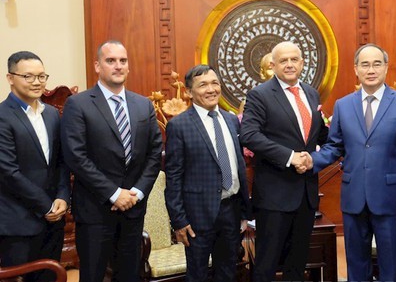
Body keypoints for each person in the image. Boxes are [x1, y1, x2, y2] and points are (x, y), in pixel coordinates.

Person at [306, 43, 396, 282]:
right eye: (365, 64)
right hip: (354, 198)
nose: (371, 69)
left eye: (377, 64)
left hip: (391, 200)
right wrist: (311, 160)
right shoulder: (343, 104)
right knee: (356, 267)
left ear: (386, 68)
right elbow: (335, 146)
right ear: (356, 69)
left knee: (391, 267)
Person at [61, 40, 163, 282]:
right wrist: (114, 193)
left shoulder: (142, 105)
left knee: (129, 275)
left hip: (133, 210)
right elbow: (76, 156)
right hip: (95, 210)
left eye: (123, 61)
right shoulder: (78, 104)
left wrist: (136, 193)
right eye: (111, 60)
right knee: (93, 275)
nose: (118, 66)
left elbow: (154, 153)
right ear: (97, 66)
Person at [240, 41, 329, 282]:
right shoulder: (259, 95)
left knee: (297, 262)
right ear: (272, 65)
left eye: (294, 60)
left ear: (302, 63)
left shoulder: (311, 93)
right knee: (267, 264)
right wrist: (290, 157)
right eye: (283, 60)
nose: (289, 64)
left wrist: (315, 157)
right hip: (274, 195)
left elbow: (319, 136)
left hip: (306, 193)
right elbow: (249, 135)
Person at [164, 65, 252, 282]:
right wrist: (179, 220)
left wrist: (243, 211)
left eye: (215, 83)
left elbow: (238, 165)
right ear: (188, 92)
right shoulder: (179, 126)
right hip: (197, 218)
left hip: (230, 211)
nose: (211, 89)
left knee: (228, 272)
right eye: (203, 85)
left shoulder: (231, 120)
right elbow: (173, 177)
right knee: (197, 275)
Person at [0, 51, 70, 281]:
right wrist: (45, 206)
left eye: (41, 76)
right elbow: (8, 172)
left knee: (50, 277)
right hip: (18, 223)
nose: (37, 82)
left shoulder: (51, 113)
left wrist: (62, 197)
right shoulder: (2, 116)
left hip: (53, 220)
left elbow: (60, 161)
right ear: (11, 78)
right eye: (28, 76)